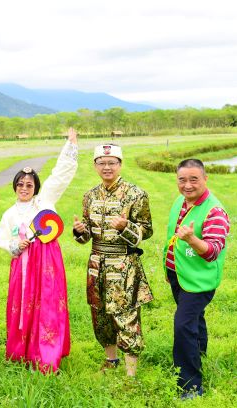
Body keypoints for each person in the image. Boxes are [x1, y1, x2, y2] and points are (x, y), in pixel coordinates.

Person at [0, 128, 78, 373]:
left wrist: (70, 145)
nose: (24, 188)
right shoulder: (10, 213)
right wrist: (14, 246)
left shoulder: (45, 202)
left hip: (46, 265)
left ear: (36, 187)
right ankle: (22, 349)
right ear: (15, 187)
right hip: (22, 265)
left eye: (29, 184)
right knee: (22, 306)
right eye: (20, 184)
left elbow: (60, 175)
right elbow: (2, 238)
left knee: (48, 305)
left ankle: (47, 352)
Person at [73, 144, 153, 376]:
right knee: (100, 316)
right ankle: (111, 360)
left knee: (125, 315)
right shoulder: (90, 195)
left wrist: (125, 226)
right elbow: (87, 235)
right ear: (95, 165)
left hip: (123, 265)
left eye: (112, 163)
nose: (107, 167)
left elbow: (146, 231)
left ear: (120, 164)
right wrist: (80, 230)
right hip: (97, 264)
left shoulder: (135, 194)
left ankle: (131, 374)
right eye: (102, 163)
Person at [164, 159, 230, 400]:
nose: (187, 185)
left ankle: (190, 387)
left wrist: (191, 239)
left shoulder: (215, 211)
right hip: (180, 276)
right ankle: (199, 353)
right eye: (182, 179)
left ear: (205, 179)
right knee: (193, 319)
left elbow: (212, 251)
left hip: (199, 281)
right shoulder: (179, 201)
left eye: (194, 179)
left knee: (183, 325)